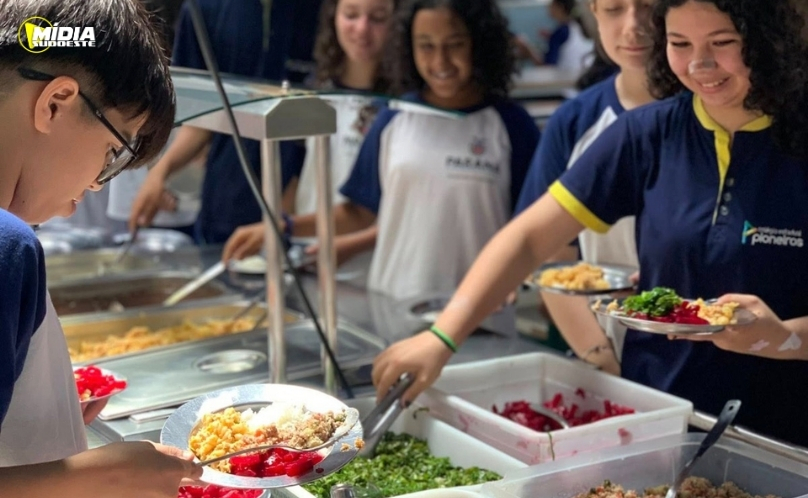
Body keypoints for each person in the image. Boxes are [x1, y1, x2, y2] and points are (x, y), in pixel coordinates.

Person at [372, 0, 808, 445]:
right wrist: (442, 336)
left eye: (723, 43)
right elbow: (528, 239)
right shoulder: (647, 134)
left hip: (787, 432)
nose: (700, 63)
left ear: (767, 39)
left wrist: (785, 337)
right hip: (662, 419)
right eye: (680, 43)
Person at [0, 0, 200, 495]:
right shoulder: (9, 246)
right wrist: (107, 474)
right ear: (55, 103)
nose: (94, 185)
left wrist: (36, 399)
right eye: (113, 152)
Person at [230, 0, 540, 301]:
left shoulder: (512, 126)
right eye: (426, 46)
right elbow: (359, 211)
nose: (440, 61)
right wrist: (284, 225)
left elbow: (533, 227)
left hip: (479, 309)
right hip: (392, 300)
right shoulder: (393, 116)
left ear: (479, 42)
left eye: (455, 44)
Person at [515, 0, 655, 375]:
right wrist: (600, 356)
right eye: (614, 8)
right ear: (593, 11)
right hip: (611, 350)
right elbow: (547, 256)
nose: (633, 25)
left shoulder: (717, 117)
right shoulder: (577, 121)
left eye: (650, 6)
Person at [128, 0, 323, 245]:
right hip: (228, 201)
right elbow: (202, 121)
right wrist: (158, 175)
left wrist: (293, 192)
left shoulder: (321, 10)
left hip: (310, 208)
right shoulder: (203, 10)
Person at [222, 0, 397, 266]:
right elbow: (296, 176)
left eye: (378, 18)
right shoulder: (316, 87)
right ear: (333, 17)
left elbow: (385, 212)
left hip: (371, 262)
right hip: (309, 251)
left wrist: (286, 227)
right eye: (351, 15)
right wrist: (276, 231)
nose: (362, 29)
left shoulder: (400, 104)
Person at [515, 0, 594, 76]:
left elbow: (548, 68)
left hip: (565, 86)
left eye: (552, 5)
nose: (548, 8)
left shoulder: (560, 32)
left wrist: (528, 49)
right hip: (583, 80)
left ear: (560, 7)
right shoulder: (578, 27)